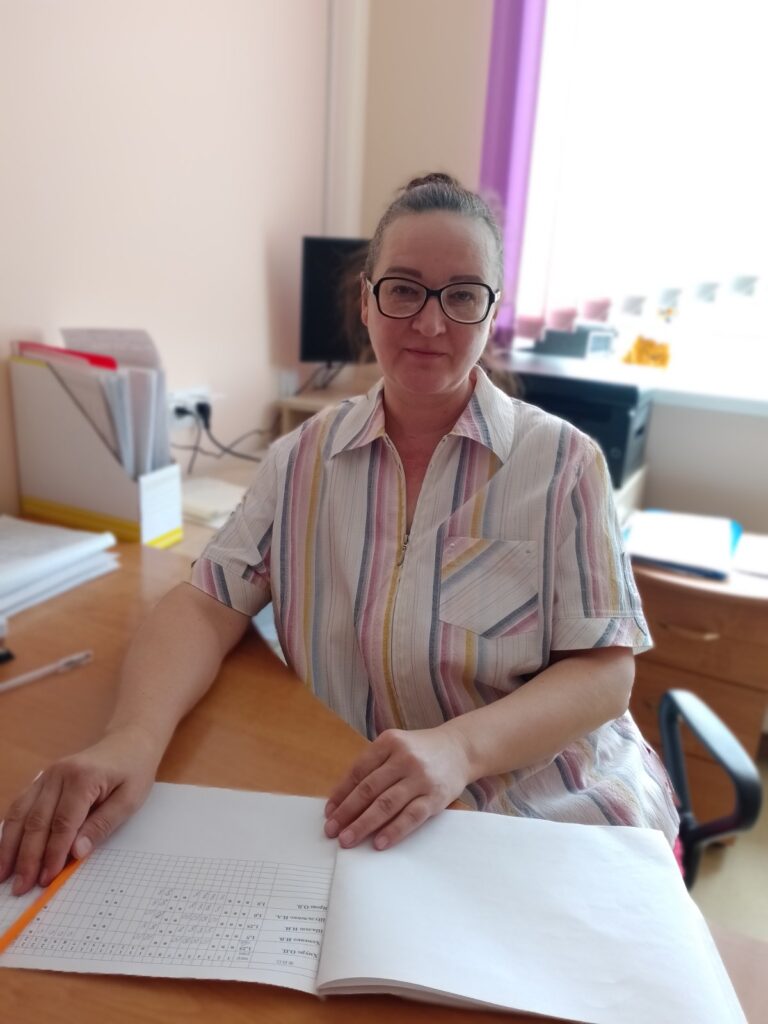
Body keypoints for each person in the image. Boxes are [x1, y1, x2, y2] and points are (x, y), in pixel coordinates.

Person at [0, 173, 679, 897]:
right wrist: (132, 740)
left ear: (492, 310)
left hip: (552, 811)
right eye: (404, 289)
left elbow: (606, 672)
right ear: (366, 299)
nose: (430, 323)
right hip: (373, 816)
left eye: (461, 296)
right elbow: (205, 604)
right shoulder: (301, 458)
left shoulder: (564, 463)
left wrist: (460, 749)